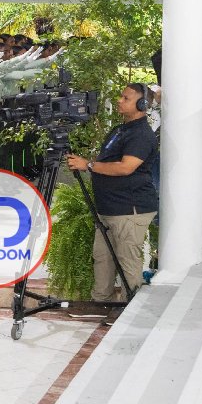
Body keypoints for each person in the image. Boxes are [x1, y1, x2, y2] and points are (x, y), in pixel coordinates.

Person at [65, 84, 159, 302]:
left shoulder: (141, 135)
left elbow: (126, 167)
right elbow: (105, 161)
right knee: (103, 258)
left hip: (129, 208)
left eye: (126, 98)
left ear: (142, 104)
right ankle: (101, 302)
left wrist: (87, 165)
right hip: (108, 208)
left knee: (127, 261)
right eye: (121, 96)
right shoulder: (119, 129)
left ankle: (130, 308)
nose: (119, 100)